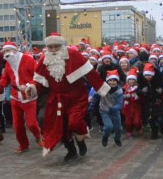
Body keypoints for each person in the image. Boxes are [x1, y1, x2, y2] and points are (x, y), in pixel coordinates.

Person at [26, 33, 110, 162]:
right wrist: (30, 88)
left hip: (76, 96)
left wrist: (101, 88)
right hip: (56, 99)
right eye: (50, 47)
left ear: (62, 45)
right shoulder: (44, 59)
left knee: (74, 122)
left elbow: (90, 73)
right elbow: (38, 81)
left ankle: (81, 141)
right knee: (60, 126)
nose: (53, 50)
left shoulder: (73, 55)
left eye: (56, 46)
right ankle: (71, 150)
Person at [0, 42, 43, 154]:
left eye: (9, 50)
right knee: (17, 125)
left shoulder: (28, 60)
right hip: (15, 97)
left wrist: (28, 85)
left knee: (31, 123)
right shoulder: (8, 64)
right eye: (5, 51)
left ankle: (38, 136)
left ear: (15, 50)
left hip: (28, 96)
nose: (7, 53)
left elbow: (38, 77)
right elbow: (5, 80)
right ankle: (23, 145)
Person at [91, 70, 124, 148]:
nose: (112, 82)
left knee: (118, 128)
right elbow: (95, 96)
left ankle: (117, 139)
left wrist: (115, 108)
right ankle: (105, 137)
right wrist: (91, 105)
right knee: (109, 126)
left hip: (115, 111)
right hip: (104, 110)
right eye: (110, 80)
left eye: (114, 80)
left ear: (117, 81)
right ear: (107, 81)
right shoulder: (103, 88)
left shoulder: (119, 91)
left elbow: (120, 103)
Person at [122, 68, 143, 137]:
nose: (131, 81)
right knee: (128, 122)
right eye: (130, 79)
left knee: (136, 121)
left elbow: (141, 98)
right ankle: (129, 130)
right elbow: (120, 97)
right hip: (127, 108)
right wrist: (125, 96)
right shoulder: (124, 88)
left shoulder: (137, 88)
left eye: (133, 79)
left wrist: (136, 96)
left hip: (136, 107)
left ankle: (139, 127)